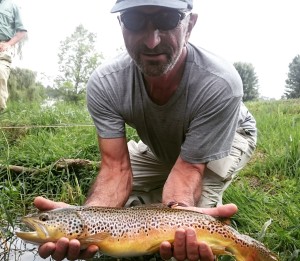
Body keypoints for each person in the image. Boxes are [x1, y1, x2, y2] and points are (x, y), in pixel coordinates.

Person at [35, 0, 257, 260]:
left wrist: (179, 212)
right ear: (121, 25)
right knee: (118, 211)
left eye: (167, 20)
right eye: (135, 21)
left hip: (227, 138)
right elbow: (115, 167)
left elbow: (189, 168)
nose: (152, 42)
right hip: (161, 142)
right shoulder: (106, 83)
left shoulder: (220, 82)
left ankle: (244, 247)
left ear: (190, 25)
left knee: (190, 239)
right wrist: (86, 220)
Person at [0, 0, 27, 112]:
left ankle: (0, 110)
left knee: (0, 72)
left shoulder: (12, 6)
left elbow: (21, 31)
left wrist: (8, 44)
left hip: (3, 48)